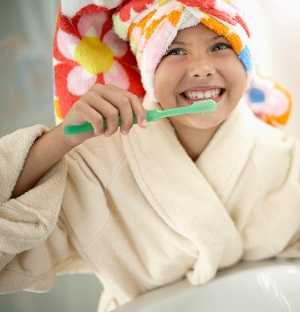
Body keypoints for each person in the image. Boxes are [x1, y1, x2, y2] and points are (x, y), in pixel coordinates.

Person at [0, 1, 298, 312]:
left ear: (245, 62)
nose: (201, 67)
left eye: (221, 45)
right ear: (146, 69)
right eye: (174, 51)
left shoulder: (285, 160)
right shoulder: (97, 166)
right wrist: (61, 139)